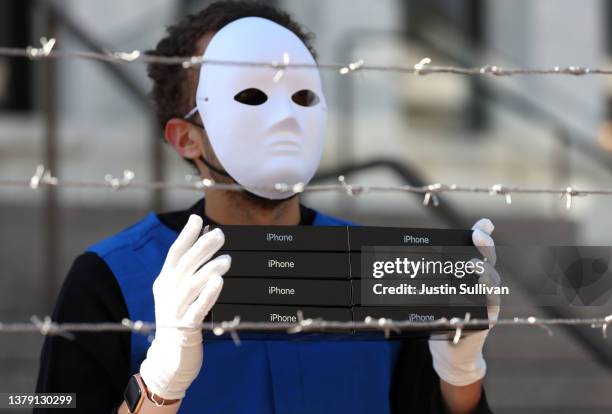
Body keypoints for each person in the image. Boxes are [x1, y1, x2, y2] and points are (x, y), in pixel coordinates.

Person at [35, 2, 499, 413]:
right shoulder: (106, 279)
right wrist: (158, 386)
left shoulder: (377, 268)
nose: (285, 118)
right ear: (185, 137)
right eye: (252, 97)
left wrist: (460, 375)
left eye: (302, 97)